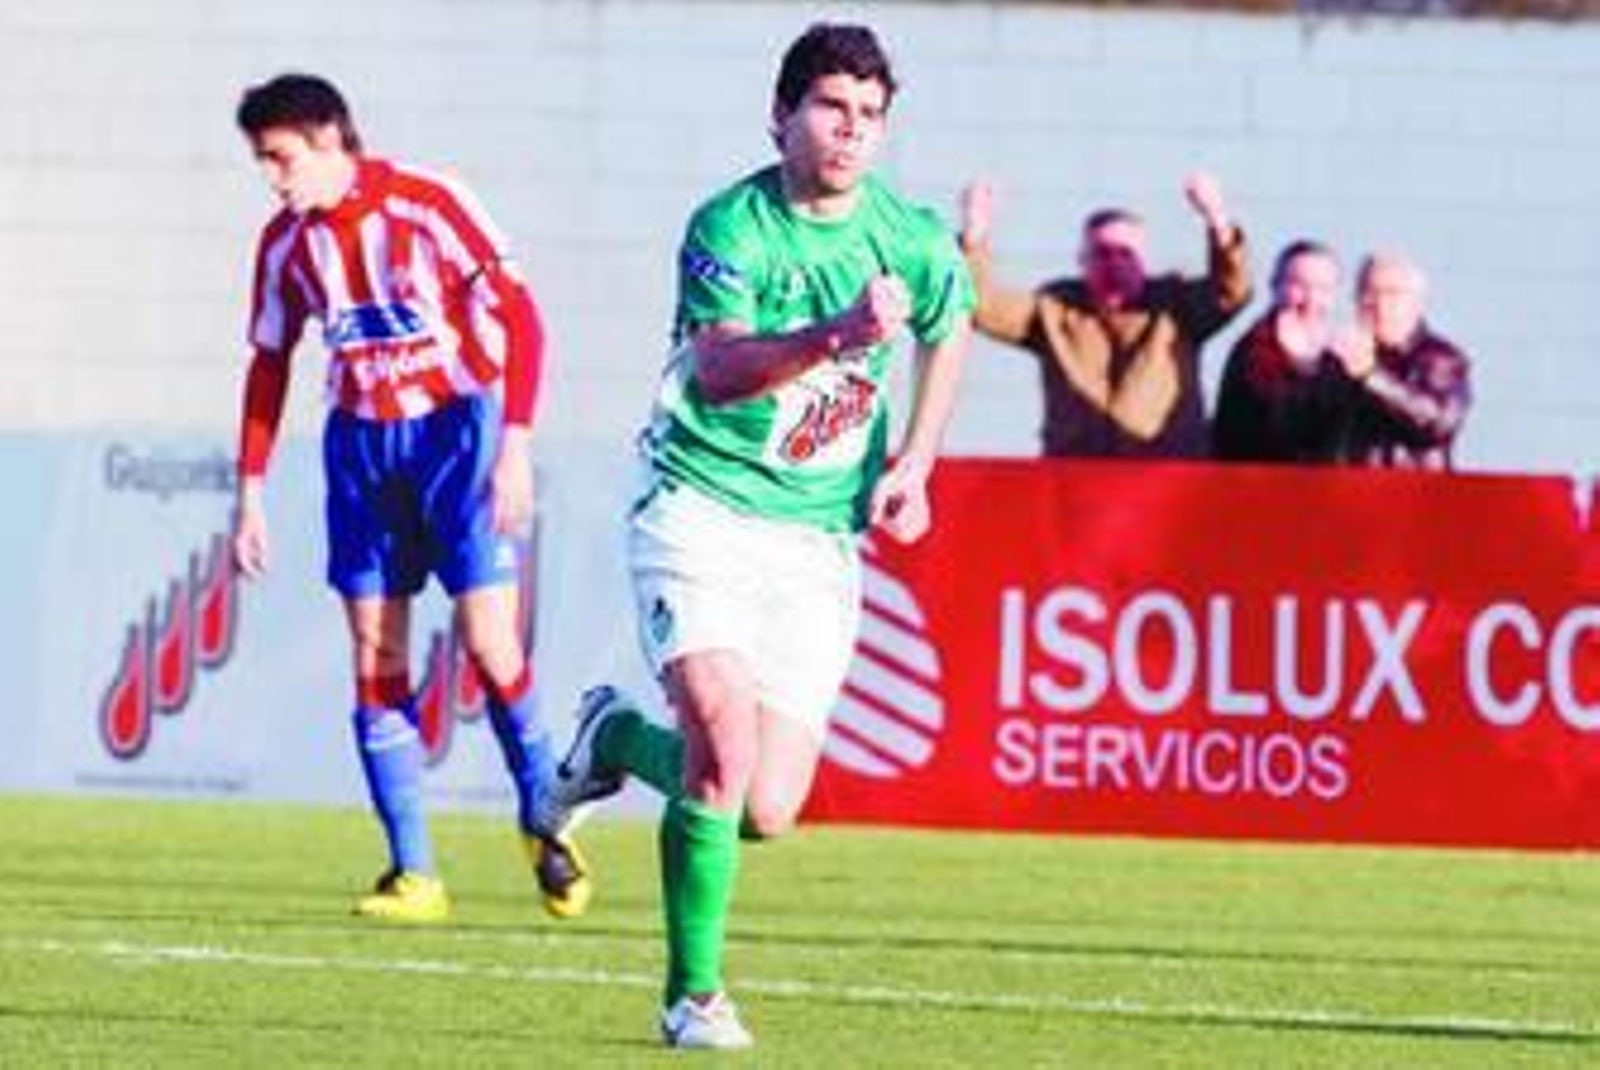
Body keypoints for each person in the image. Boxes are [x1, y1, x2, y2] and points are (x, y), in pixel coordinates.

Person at [547, 23, 974, 1050]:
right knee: (723, 743)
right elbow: (722, 369)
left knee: (765, 807)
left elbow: (948, 321)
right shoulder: (729, 226)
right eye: (831, 108)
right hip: (696, 508)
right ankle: (691, 995)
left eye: (869, 116)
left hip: (814, 540)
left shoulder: (907, 234)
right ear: (781, 114)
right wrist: (838, 335)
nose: (850, 132)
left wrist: (915, 459)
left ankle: (608, 735)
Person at [229, 73, 589, 923]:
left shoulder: (430, 203)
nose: (274, 179)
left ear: (328, 138)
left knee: (488, 642)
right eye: (262, 164)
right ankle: (415, 873)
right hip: (361, 449)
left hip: (455, 435)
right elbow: (269, 363)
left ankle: (545, 819)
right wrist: (249, 492)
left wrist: (516, 445)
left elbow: (523, 317)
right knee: (373, 654)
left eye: (280, 158)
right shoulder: (285, 244)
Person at [958, 174, 1252, 458]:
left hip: (1165, 483)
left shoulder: (1176, 306)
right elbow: (980, 304)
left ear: (1142, 259)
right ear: (1083, 260)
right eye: (1102, 252)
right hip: (1075, 482)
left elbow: (1231, 291)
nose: (1114, 263)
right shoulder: (1055, 309)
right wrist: (975, 231)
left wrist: (1217, 219)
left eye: (1125, 253)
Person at [1214, 239, 1361, 463]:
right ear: (1275, 287)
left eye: (1323, 288)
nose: (1311, 299)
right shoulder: (1252, 354)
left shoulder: (1351, 355)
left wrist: (1367, 375)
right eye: (1299, 285)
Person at [1333, 251, 1472, 470]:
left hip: (1413, 496)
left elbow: (1436, 423)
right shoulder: (1338, 357)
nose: (1377, 303)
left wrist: (1371, 376)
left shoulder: (1440, 358)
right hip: (1343, 494)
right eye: (1367, 291)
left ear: (1417, 303)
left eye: (1391, 293)